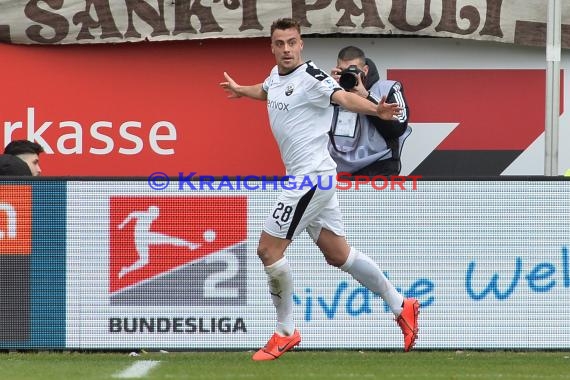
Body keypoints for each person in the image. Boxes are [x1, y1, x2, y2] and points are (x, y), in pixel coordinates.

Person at [220, 18, 419, 361]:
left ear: (301, 45)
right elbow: (267, 90)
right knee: (339, 255)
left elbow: (342, 98)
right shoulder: (275, 75)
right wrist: (241, 90)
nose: (286, 49)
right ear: (272, 46)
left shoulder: (313, 78)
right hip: (313, 178)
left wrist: (377, 109)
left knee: (268, 251)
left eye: (292, 42)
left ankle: (285, 332)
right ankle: (402, 304)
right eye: (280, 43)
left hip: (310, 179)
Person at [329, 46, 411, 176]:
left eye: (353, 71)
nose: (348, 76)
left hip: (378, 167)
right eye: (343, 71)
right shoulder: (330, 92)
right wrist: (329, 90)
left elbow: (398, 128)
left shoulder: (387, 88)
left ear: (365, 70)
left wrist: (366, 95)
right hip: (335, 169)